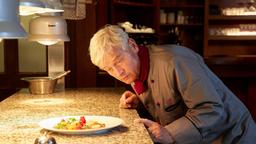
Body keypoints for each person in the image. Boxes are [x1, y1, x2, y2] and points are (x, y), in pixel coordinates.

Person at [89, 25, 256, 144]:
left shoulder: (175, 61)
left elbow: (211, 109)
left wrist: (169, 133)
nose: (118, 72)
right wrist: (140, 103)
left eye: (118, 61)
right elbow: (170, 100)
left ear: (132, 46)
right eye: (109, 69)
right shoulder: (137, 69)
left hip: (234, 136)